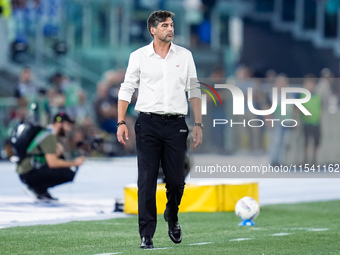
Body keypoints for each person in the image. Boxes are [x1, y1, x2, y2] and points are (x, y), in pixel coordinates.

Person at [117, 10, 203, 249]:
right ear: (152, 30)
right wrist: (121, 122)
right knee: (146, 180)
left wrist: (197, 124)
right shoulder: (138, 56)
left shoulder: (185, 56)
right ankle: (146, 234)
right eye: (165, 25)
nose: (170, 29)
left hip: (177, 124)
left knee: (176, 180)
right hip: (147, 124)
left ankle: (172, 216)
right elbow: (126, 89)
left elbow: (194, 91)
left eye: (172, 25)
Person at [16, 112, 86, 201]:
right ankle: (36, 187)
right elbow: (52, 163)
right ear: (58, 124)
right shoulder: (49, 136)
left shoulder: (46, 132)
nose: (68, 129)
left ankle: (40, 190)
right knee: (68, 172)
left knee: (63, 162)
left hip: (26, 171)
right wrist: (74, 163)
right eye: (67, 125)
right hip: (28, 172)